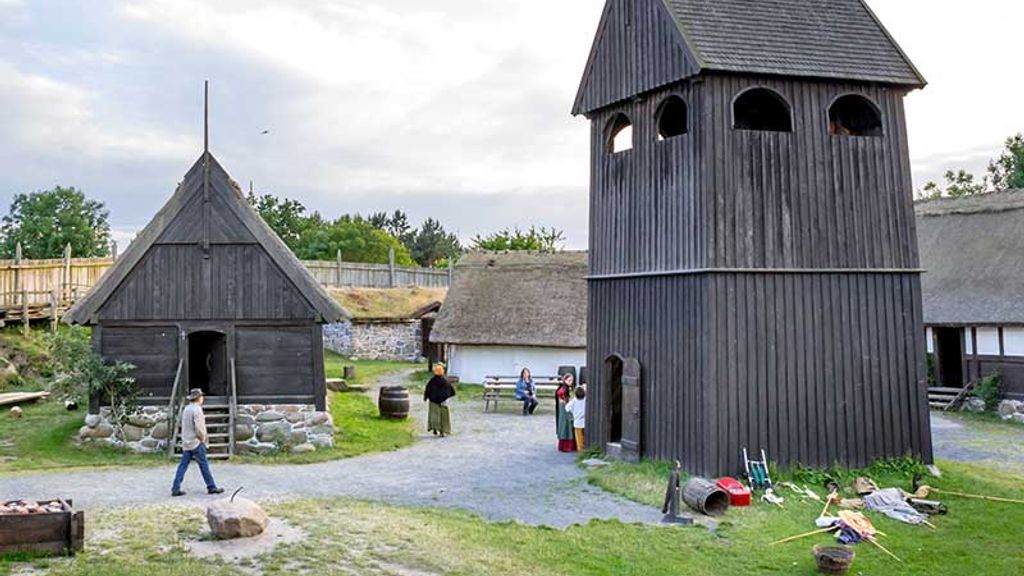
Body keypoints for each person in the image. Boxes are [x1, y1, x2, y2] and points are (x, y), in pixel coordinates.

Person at [171, 388, 225, 497]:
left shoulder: (186, 409)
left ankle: (175, 487)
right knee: (204, 465)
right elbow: (199, 428)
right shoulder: (197, 410)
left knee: (183, 466)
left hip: (187, 442)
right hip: (196, 442)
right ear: (199, 398)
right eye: (201, 397)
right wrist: (203, 439)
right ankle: (211, 487)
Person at [423, 363, 456, 437]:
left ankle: (434, 429)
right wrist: (445, 397)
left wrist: (426, 397)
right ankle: (442, 431)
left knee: (434, 415)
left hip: (433, 401)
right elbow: (451, 391)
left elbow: (428, 389)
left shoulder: (432, 381)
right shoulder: (445, 381)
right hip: (443, 401)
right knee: (443, 416)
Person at [555, 373, 577, 452]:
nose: (570, 382)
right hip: (565, 410)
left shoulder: (566, 388)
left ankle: (565, 445)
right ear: (565, 380)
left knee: (566, 425)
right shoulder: (563, 389)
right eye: (569, 380)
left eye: (572, 380)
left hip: (565, 409)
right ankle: (566, 446)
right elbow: (562, 397)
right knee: (566, 425)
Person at [565, 386, 586, 451]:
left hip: (577, 421)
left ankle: (580, 449)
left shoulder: (574, 400)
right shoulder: (586, 399)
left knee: (578, 437)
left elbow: (567, 408)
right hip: (585, 420)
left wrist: (572, 412)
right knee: (585, 436)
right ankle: (585, 447)